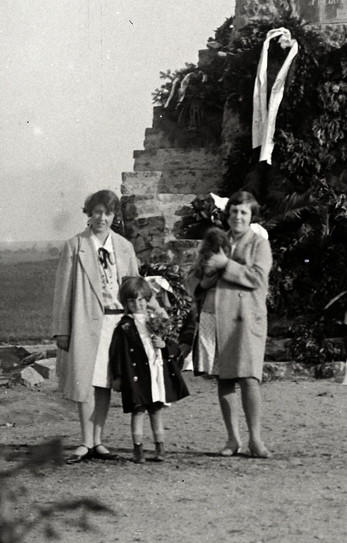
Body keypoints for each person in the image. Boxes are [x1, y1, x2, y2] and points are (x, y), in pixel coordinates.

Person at [51, 190, 139, 459]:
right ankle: (85, 440)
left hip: (117, 322)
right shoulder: (75, 246)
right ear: (89, 213)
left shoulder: (124, 247)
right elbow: (63, 291)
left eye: (108, 213)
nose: (102, 218)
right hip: (85, 320)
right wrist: (62, 329)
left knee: (106, 380)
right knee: (85, 380)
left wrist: (139, 323)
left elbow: (135, 288)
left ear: (115, 216)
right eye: (97, 212)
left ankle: (99, 440)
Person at [190, 190, 274, 458]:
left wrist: (226, 264)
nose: (238, 216)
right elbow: (192, 276)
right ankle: (232, 439)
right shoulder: (217, 240)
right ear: (228, 214)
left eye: (244, 212)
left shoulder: (259, 244)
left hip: (246, 318)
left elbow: (258, 278)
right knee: (225, 379)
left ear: (251, 217)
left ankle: (256, 439)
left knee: (249, 378)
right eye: (234, 211)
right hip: (217, 316)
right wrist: (202, 283)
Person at [108, 275, 189, 462]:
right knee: (138, 409)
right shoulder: (124, 326)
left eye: (141, 299)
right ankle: (138, 448)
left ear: (147, 300)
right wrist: (118, 376)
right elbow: (116, 353)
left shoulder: (156, 321)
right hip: (135, 374)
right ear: (126, 302)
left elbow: (173, 344)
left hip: (154, 372)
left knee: (156, 409)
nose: (137, 304)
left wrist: (164, 345)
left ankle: (159, 447)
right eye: (132, 300)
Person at [187, 227, 232, 377]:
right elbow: (193, 281)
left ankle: (224, 369)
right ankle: (209, 369)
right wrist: (204, 285)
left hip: (226, 306)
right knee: (208, 342)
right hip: (209, 306)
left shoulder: (230, 259)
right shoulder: (203, 260)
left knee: (226, 343)